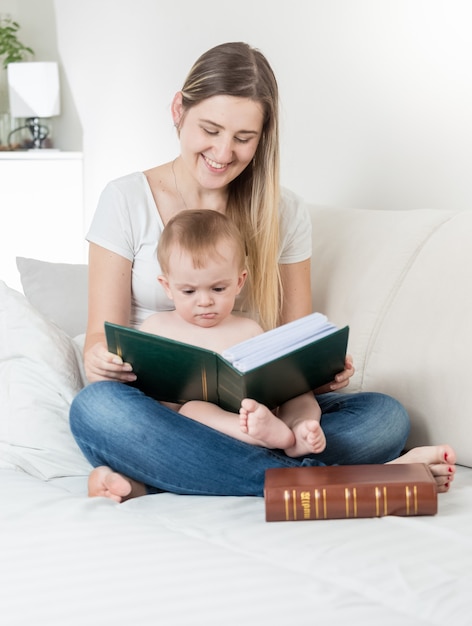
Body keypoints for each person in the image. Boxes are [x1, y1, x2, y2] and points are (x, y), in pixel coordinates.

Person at [69, 41, 456, 503]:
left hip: (261, 413)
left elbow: (296, 337)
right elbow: (99, 338)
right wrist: (100, 360)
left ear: (263, 137)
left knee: (385, 417)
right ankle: (348, 484)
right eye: (209, 129)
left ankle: (164, 475)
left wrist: (321, 372)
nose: (222, 151)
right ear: (179, 109)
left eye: (243, 138)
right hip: (165, 412)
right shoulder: (125, 200)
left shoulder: (283, 210)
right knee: (97, 410)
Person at [141, 208, 326, 457]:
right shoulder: (155, 327)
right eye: (188, 291)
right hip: (196, 433)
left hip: (254, 411)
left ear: (239, 282)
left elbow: (274, 383)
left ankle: (300, 430)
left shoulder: (248, 329)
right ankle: (267, 439)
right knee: (193, 408)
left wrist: (317, 372)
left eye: (218, 288)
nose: (204, 301)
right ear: (167, 287)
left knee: (301, 394)